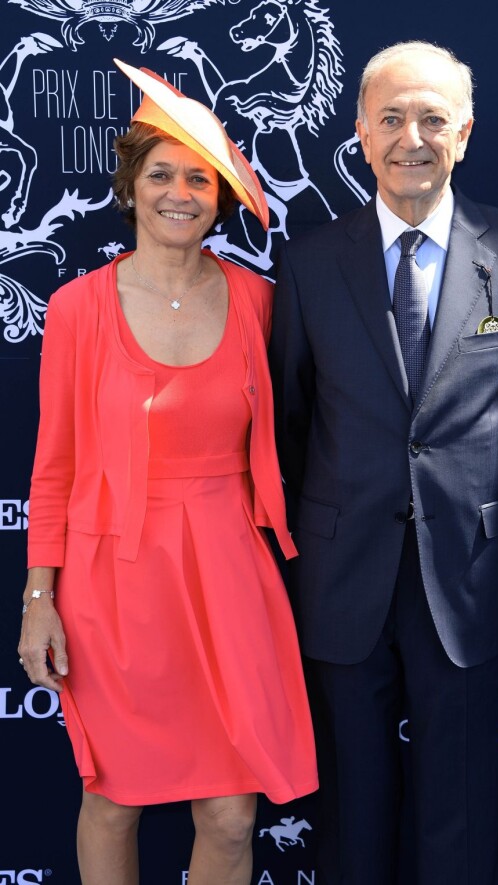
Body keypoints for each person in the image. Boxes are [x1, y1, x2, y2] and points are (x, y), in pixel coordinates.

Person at [269, 40, 498, 885]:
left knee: (461, 818)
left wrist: (463, 499)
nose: (412, 137)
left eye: (433, 118)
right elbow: (293, 421)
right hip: (341, 574)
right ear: (359, 132)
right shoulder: (309, 262)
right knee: (351, 823)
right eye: (392, 118)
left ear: (465, 134)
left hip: (466, 573)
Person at [18, 59, 318, 885]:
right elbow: (53, 470)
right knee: (114, 797)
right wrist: (39, 600)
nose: (179, 192)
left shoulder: (259, 300)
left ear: (220, 197)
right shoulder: (78, 307)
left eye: (199, 177)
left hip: (229, 574)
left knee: (230, 812)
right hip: (112, 579)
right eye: (161, 174)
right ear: (131, 185)